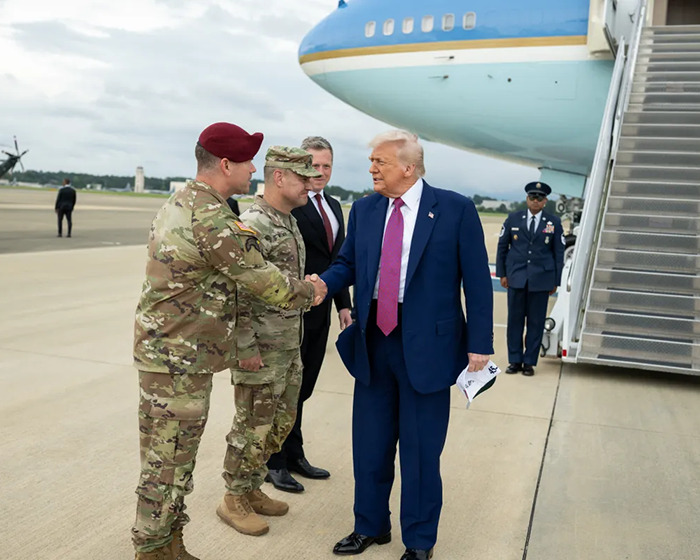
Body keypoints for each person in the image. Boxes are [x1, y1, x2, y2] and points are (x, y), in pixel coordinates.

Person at [130, 122, 326, 560]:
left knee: (173, 462)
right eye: (248, 161)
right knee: (168, 465)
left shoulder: (184, 201)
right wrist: (310, 292)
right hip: (178, 360)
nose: (254, 169)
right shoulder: (211, 216)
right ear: (224, 164)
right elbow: (262, 281)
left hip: (177, 355)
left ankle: (168, 543)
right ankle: (153, 549)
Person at [319, 130, 494, 560]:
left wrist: (481, 344)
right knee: (370, 444)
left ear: (407, 167)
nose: (372, 169)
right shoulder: (364, 209)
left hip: (429, 349)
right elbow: (347, 264)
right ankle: (370, 526)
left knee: (419, 453)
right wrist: (322, 286)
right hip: (374, 342)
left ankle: (418, 542)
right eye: (372, 162)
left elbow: (476, 280)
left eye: (379, 162)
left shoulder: (454, 209)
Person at [216, 146, 321, 536]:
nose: (311, 184)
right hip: (259, 348)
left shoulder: (288, 220)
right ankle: (233, 498)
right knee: (251, 427)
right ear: (280, 178)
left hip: (286, 344)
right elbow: (235, 291)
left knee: (279, 424)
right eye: (303, 177)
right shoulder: (254, 224)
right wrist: (245, 347)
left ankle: (251, 486)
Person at [265, 136, 352, 493]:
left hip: (320, 313)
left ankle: (294, 451)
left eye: (326, 166)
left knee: (304, 386)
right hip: (289, 311)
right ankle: (274, 460)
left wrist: (343, 305)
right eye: (313, 165)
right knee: (283, 388)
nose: (319, 172)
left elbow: (338, 262)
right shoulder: (290, 205)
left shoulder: (333, 205)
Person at [496, 181, 565, 376]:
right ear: (527, 199)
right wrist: (502, 274)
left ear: (545, 201)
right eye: (532, 197)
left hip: (541, 280)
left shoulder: (553, 223)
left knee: (535, 323)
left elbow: (558, 253)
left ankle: (529, 362)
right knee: (515, 321)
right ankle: (515, 360)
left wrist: (556, 281)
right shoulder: (513, 219)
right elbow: (503, 248)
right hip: (516, 277)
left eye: (539, 198)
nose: (535, 201)